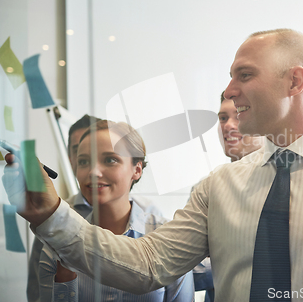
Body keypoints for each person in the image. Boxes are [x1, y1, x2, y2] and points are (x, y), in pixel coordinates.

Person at [4, 28, 303, 301]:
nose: (229, 90)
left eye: (244, 75)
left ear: (294, 81)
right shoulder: (217, 187)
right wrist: (51, 215)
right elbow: (147, 265)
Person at [38, 120, 194, 301]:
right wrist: (65, 275)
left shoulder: (168, 237)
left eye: (110, 159)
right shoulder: (60, 241)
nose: (94, 172)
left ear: (137, 169)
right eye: (83, 161)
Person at [193, 90, 264, 301]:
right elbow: (184, 263)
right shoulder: (206, 189)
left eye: (239, 114)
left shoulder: (282, 186)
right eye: (223, 118)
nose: (228, 125)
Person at [27, 114, 100, 302]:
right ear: (71, 159)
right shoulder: (53, 219)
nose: (91, 162)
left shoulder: (148, 220)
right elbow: (36, 294)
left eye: (96, 149)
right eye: (80, 151)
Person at [218, 90, 264, 162]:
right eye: (223, 118)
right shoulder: (219, 173)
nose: (228, 125)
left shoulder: (282, 171)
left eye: (239, 116)